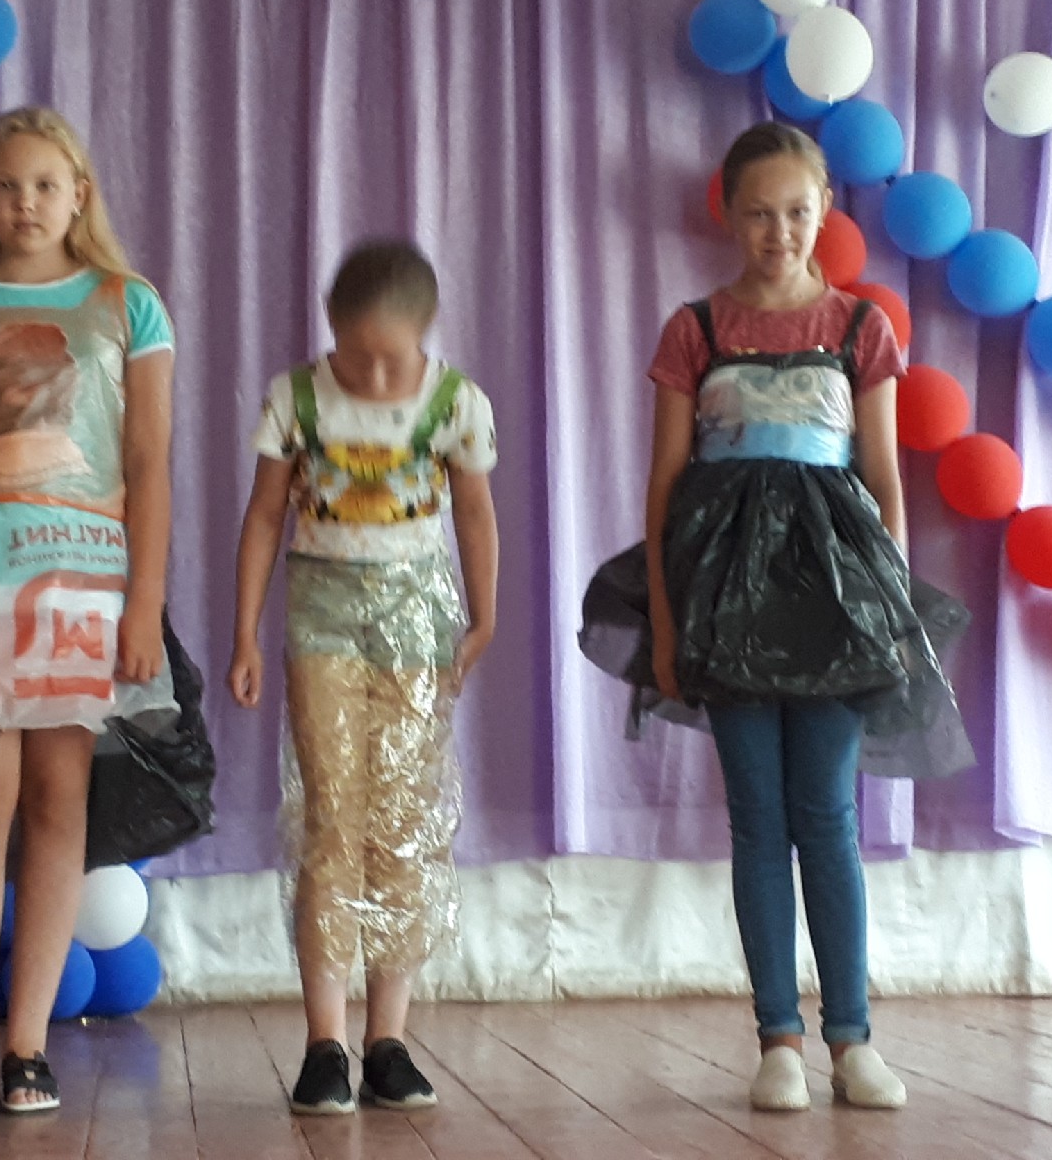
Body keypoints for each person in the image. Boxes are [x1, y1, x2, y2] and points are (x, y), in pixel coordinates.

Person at [581, 121, 973, 1112]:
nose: (779, 231)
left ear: (824, 209)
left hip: (837, 597)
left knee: (827, 815)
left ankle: (852, 1039)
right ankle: (778, 1041)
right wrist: (666, 618)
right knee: (758, 818)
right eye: (758, 213)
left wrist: (891, 608)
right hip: (725, 597)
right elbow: (665, 486)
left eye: (797, 211)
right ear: (729, 215)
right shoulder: (695, 329)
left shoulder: (860, 327)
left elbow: (882, 481)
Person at [0, 106, 212, 1118]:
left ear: (79, 195)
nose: (25, 203)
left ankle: (28, 1046)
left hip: (87, 578)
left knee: (61, 797)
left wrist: (145, 602)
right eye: (5, 186)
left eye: (44, 185)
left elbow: (149, 459)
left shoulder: (126, 304)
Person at [227, 240, 498, 1115]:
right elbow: (265, 515)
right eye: (357, 354)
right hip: (324, 616)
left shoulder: (455, 404)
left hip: (417, 618)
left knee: (400, 826)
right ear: (331, 329)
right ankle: (324, 1043)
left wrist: (483, 615)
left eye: (393, 356)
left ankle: (388, 1039)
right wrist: (245, 634)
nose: (374, 374)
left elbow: (475, 512)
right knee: (333, 821)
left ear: (426, 333)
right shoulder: (297, 398)